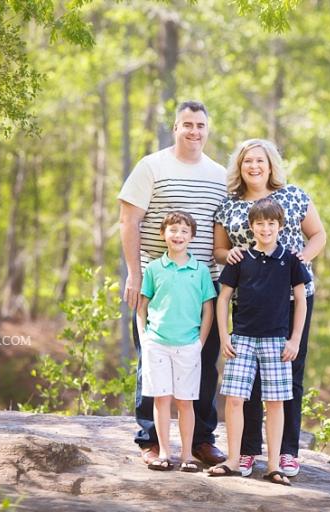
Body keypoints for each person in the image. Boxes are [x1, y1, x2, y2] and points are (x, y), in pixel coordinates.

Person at [118, 100, 227, 466]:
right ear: (174, 128)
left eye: (200, 125)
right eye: (187, 125)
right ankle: (151, 440)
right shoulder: (152, 166)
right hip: (157, 283)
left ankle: (200, 441)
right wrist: (134, 272)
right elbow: (128, 221)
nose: (193, 131)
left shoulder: (219, 175)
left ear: (207, 130)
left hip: (204, 285)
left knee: (204, 364)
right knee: (152, 363)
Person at [213, 139, 326, 478]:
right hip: (248, 301)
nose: (254, 166)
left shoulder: (293, 195)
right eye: (248, 161)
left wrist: (301, 261)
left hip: (293, 298)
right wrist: (228, 256)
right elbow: (220, 249)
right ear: (240, 166)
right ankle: (246, 451)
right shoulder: (229, 206)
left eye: (260, 160)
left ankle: (287, 452)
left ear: (271, 164)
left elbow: (318, 234)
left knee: (289, 374)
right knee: (247, 381)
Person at [208, 198, 309, 485]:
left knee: (275, 403)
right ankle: (232, 459)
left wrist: (295, 340)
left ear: (280, 226)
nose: (266, 228)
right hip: (242, 339)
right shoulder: (240, 259)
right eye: (260, 223)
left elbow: (300, 300)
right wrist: (225, 335)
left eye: (271, 223)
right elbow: (224, 298)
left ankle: (274, 465)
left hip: (276, 342)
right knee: (235, 400)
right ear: (251, 226)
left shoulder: (290, 260)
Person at [137, 211, 216, 472]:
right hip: (157, 343)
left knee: (185, 401)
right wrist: (145, 338)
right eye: (173, 230)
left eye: (184, 231)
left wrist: (200, 342)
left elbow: (208, 310)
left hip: (188, 345)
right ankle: (164, 453)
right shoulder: (154, 268)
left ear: (192, 236)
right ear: (163, 234)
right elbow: (142, 307)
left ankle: (187, 456)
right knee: (161, 399)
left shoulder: (201, 270)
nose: (178, 235)